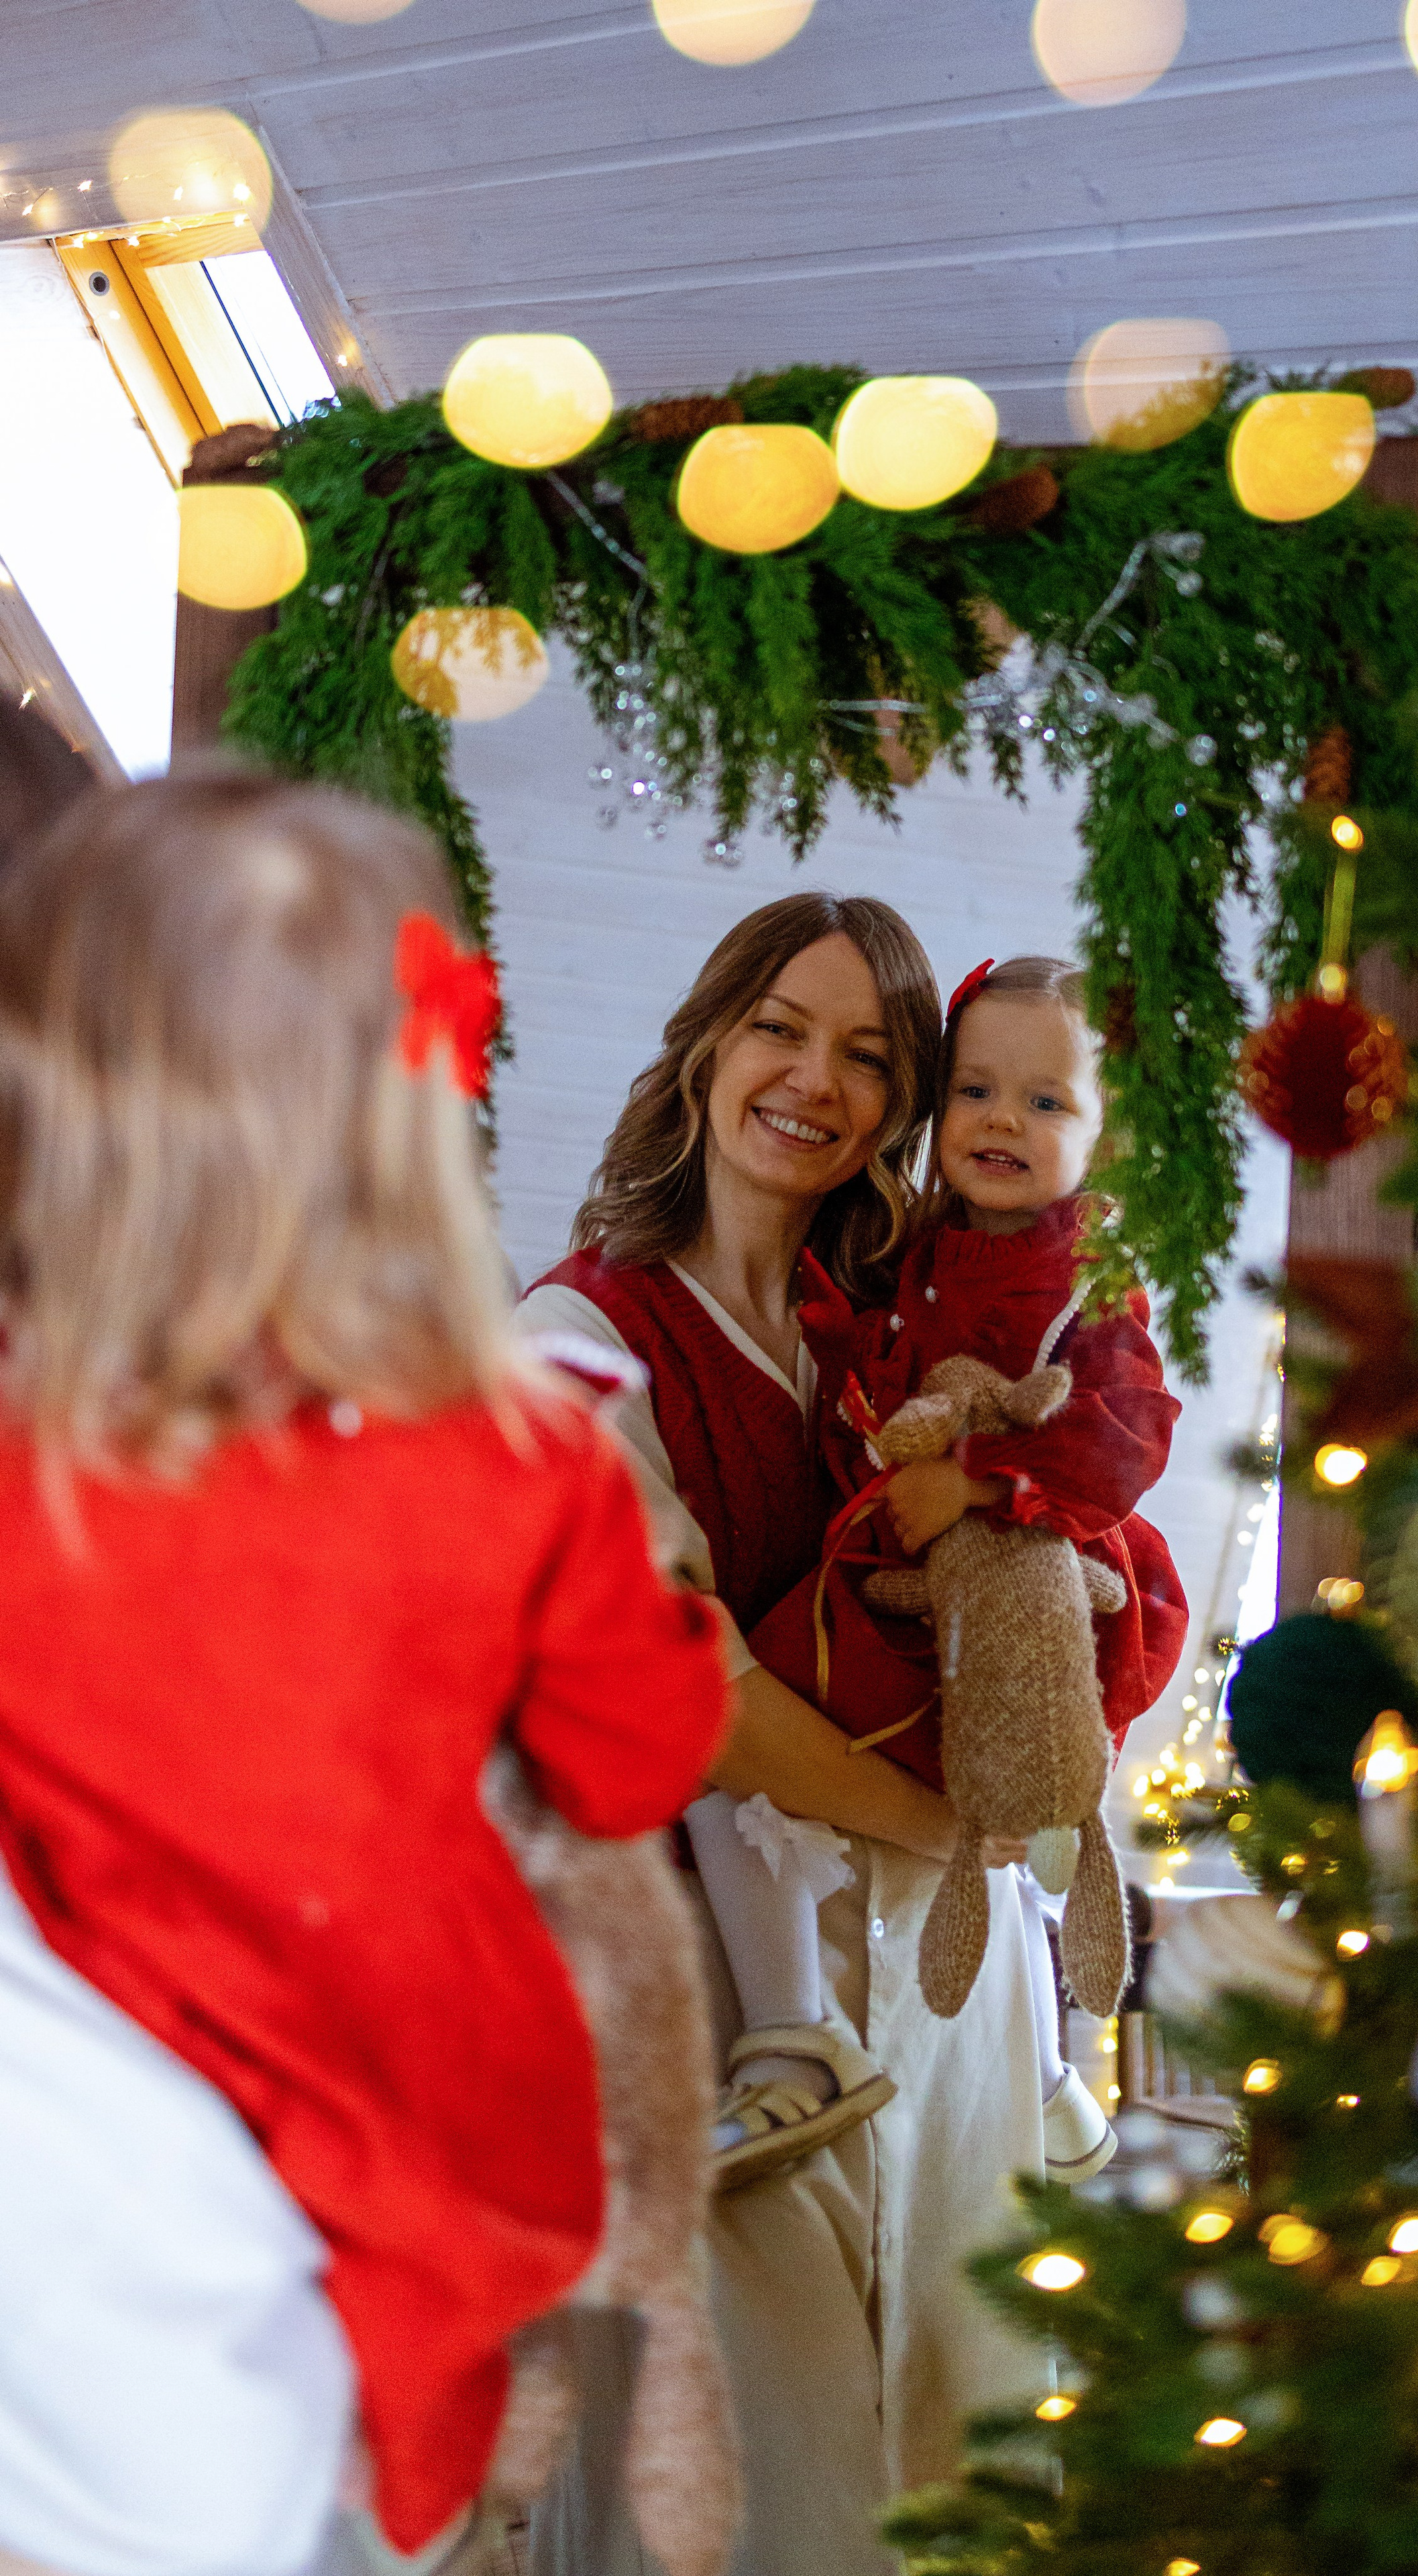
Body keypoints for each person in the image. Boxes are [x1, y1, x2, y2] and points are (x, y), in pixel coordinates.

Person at [0, 773, 728, 2576]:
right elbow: (636, 1767)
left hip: (82, 2104)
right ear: (415, 1094)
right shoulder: (522, 1458)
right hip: (398, 2110)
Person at [518, 892, 1052, 2576]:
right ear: (702, 1049)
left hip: (949, 2003)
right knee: (764, 2493)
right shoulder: (577, 1346)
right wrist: (944, 1826)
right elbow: (679, 1698)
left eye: (868, 1054)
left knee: (956, 2447)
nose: (812, 1079)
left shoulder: (885, 1344)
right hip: (724, 2023)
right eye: (777, 1027)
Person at [734, 953, 1187, 2184]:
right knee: (753, 1738)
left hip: (1030, 1565)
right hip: (908, 1557)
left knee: (1024, 1787)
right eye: (978, 1090)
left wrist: (984, 1483)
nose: (1002, 1122)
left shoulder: (1090, 1279)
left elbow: (1127, 1432)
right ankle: (788, 2026)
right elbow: (861, 1353)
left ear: (1112, 1133)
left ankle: (1047, 2061)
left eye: (1047, 1103)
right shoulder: (914, 1241)